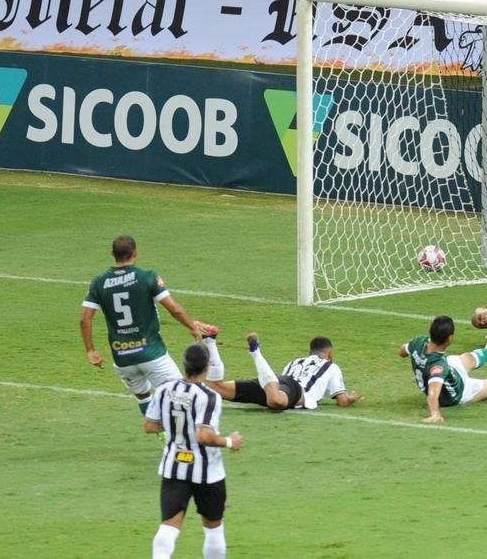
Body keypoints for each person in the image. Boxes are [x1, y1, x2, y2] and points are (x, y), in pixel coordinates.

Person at [80, 235, 209, 415]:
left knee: (142, 395)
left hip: (123, 358)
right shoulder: (147, 277)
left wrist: (90, 350)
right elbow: (175, 309)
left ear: (112, 254)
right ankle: (186, 437)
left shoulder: (98, 282)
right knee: (183, 396)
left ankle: (162, 435)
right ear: (135, 253)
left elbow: (85, 319)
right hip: (152, 355)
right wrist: (192, 327)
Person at [144, 342, 242, 559]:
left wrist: (175, 426)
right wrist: (229, 441)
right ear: (207, 366)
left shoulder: (163, 390)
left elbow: (150, 426)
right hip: (208, 472)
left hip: (174, 467)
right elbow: (203, 436)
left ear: (185, 364)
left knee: (169, 526)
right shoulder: (208, 396)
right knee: (213, 527)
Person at [199, 330, 362, 411]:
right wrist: (351, 398)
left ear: (309, 351)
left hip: (275, 381)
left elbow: (282, 381)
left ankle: (210, 342)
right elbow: (342, 401)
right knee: (275, 401)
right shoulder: (332, 367)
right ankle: (256, 353)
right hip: (293, 390)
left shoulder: (296, 361)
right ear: (330, 353)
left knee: (217, 388)